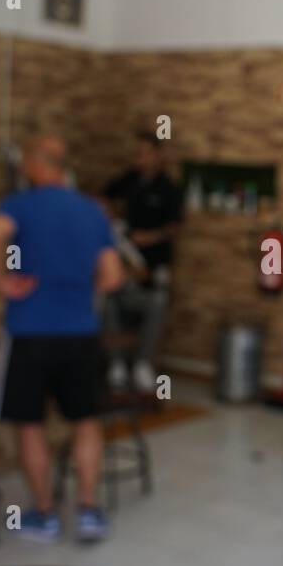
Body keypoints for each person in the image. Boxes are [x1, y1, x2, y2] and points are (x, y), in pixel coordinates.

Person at [0, 135, 123, 544]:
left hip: (30, 332)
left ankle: (44, 515)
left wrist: (2, 281)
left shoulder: (19, 205)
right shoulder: (92, 212)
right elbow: (112, 276)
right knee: (86, 423)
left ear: (34, 164)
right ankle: (89, 511)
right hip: (80, 334)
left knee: (30, 425)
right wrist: (79, 287)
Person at [100, 133, 183, 393]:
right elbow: (101, 197)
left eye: (145, 153)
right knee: (111, 301)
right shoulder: (129, 180)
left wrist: (149, 237)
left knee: (157, 304)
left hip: (154, 265)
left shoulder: (169, 188)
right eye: (138, 153)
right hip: (126, 263)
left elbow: (174, 227)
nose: (140, 159)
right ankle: (117, 366)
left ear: (157, 155)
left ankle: (143, 365)